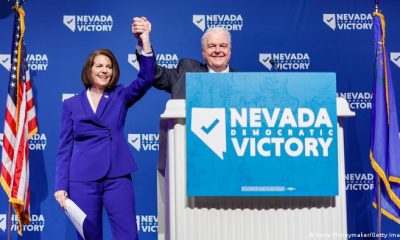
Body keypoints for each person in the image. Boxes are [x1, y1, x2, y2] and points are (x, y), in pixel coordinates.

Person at [54, 17, 154, 240]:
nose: (104, 70)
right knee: (89, 236)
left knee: (129, 235)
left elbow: (146, 78)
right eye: (99, 65)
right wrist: (60, 186)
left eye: (109, 66)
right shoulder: (70, 105)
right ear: (89, 70)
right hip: (82, 179)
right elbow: (64, 149)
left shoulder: (120, 95)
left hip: (117, 176)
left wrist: (144, 41)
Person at [133, 18, 237, 99]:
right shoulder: (186, 71)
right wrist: (144, 41)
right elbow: (153, 73)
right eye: (211, 46)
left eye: (223, 46)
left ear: (230, 51)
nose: (217, 50)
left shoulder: (244, 81)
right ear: (203, 52)